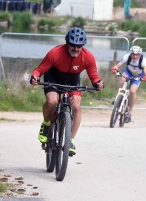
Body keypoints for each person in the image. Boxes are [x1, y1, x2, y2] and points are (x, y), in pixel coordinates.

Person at [30, 27, 104, 156]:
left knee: (76, 107)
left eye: (78, 46)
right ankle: (46, 124)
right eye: (72, 45)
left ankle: (70, 141)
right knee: (52, 101)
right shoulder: (55, 53)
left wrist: (98, 83)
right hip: (53, 77)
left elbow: (94, 76)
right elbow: (39, 69)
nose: (75, 49)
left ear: (83, 46)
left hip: (72, 80)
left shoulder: (88, 57)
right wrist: (35, 77)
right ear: (67, 43)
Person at [110, 45, 146, 123]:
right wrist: (114, 69)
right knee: (122, 79)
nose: (135, 56)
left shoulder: (143, 60)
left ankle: (129, 113)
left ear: (140, 55)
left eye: (137, 54)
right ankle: (118, 97)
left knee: (132, 91)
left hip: (138, 76)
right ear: (130, 54)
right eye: (133, 54)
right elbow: (118, 65)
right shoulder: (127, 57)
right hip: (129, 73)